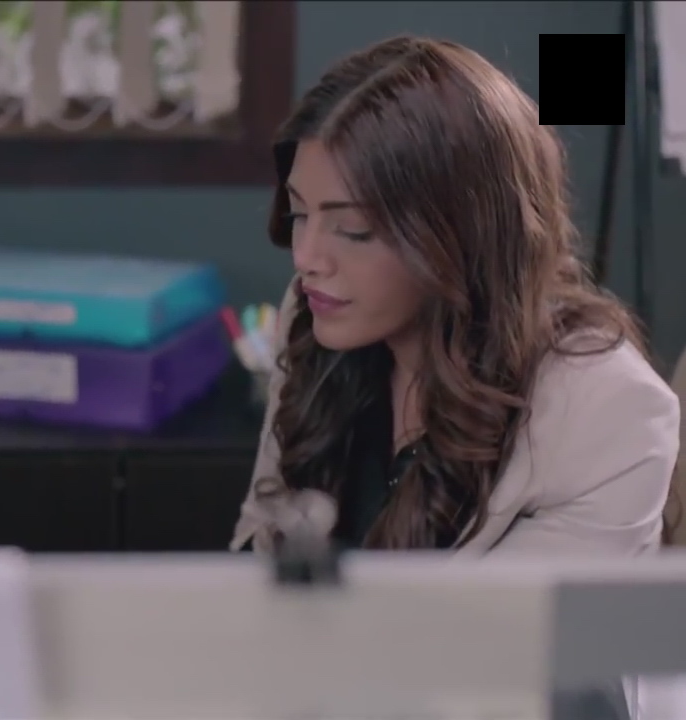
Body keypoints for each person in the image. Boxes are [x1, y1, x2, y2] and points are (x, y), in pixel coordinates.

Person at [232, 36, 679, 556]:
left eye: (353, 230)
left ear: (461, 235)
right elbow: (259, 540)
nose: (306, 257)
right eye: (298, 213)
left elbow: (515, 613)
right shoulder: (312, 312)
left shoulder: (608, 410)